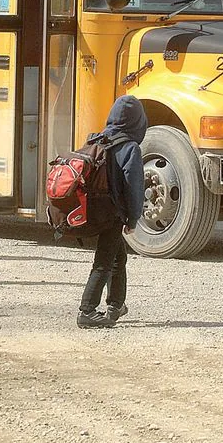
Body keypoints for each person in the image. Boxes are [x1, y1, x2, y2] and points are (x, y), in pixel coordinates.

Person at [77, 95, 147, 329]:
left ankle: (116, 304)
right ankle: (87, 310)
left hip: (96, 209)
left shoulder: (97, 140)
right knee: (104, 261)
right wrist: (133, 217)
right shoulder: (130, 148)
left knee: (118, 257)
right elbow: (134, 187)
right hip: (113, 214)